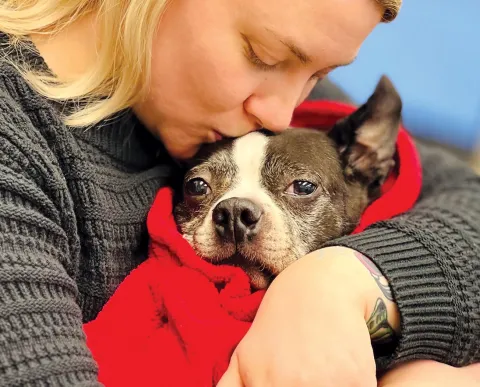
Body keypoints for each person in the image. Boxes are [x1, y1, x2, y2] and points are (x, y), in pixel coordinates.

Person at [0, 0, 478, 386]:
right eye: (262, 56)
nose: (282, 114)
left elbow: (468, 197)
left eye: (314, 74)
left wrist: (343, 283)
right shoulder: (15, 143)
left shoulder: (270, 92)